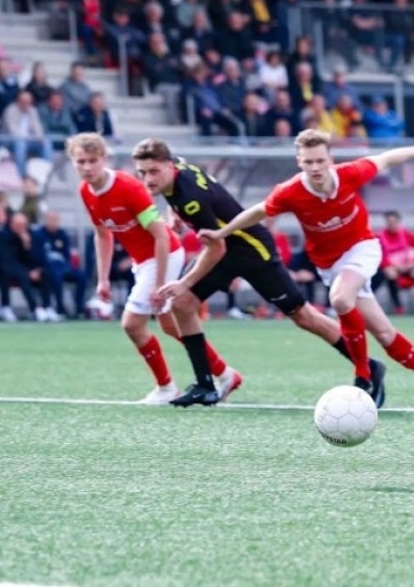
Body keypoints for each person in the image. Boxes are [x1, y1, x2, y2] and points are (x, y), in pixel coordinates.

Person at [132, 139, 387, 406]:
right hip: (225, 250)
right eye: (142, 173)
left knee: (303, 316)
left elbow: (216, 247)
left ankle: (369, 366)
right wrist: (173, 214)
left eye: (154, 172)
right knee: (182, 304)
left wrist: (184, 282)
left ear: (168, 166)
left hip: (252, 251)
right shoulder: (176, 170)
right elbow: (180, 173)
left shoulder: (191, 199)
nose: (148, 179)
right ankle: (205, 385)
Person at [203, 131, 414, 402]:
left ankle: (363, 375)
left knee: (340, 299)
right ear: (299, 162)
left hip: (361, 248)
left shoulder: (350, 173)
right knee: (383, 332)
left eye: (320, 161)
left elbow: (386, 158)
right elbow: (257, 211)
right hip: (329, 265)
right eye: (309, 162)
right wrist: (221, 233)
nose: (315, 168)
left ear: (330, 159)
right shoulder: (290, 192)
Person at [68, 132, 240, 404]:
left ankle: (166, 387)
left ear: (104, 159)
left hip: (164, 255)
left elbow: (161, 236)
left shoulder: (128, 188)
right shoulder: (85, 191)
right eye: (81, 162)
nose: (87, 167)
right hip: (144, 261)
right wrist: (102, 279)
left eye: (92, 160)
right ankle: (226, 374)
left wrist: (159, 285)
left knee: (132, 324)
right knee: (170, 326)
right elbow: (102, 235)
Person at [373, 210, 414, 314]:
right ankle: (398, 307)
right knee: (389, 275)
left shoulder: (406, 233)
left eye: (394, 222)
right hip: (392, 267)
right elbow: (379, 255)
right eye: (389, 222)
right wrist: (390, 266)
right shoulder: (379, 236)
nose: (391, 224)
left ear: (398, 222)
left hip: (408, 267)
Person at [33, 211, 87, 319]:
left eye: (55, 220)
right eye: (51, 220)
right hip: (47, 268)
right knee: (56, 276)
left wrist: (66, 266)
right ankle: (60, 309)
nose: (53, 223)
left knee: (82, 276)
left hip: (63, 267)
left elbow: (67, 255)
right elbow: (37, 256)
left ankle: (79, 308)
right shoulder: (38, 235)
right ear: (46, 221)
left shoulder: (63, 235)